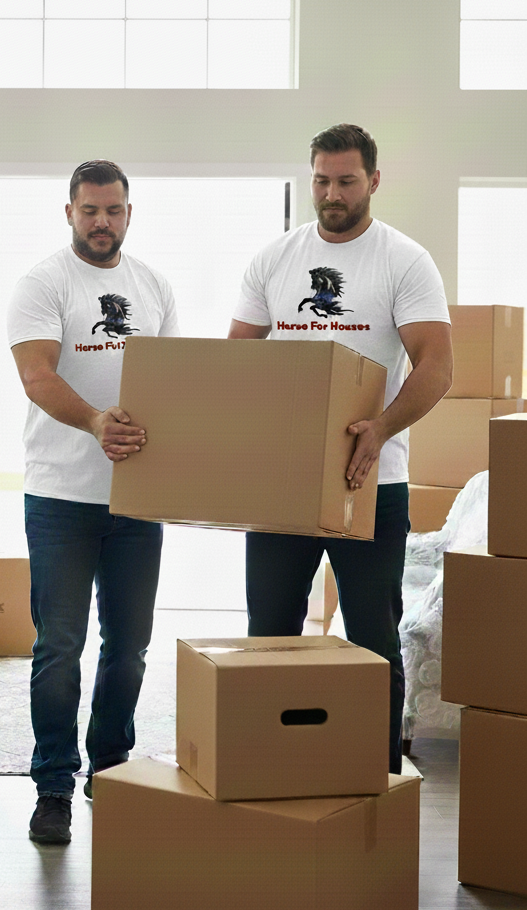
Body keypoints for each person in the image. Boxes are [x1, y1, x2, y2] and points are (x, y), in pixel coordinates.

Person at [228, 124, 453, 775]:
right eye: (321, 180)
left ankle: (376, 777)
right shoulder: (274, 260)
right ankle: (272, 766)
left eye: (346, 180)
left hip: (370, 483)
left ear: (374, 181)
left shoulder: (403, 260)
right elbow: (234, 362)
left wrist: (381, 427)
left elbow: (436, 366)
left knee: (372, 639)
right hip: (281, 487)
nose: (331, 193)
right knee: (270, 634)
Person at [7, 160, 179, 844]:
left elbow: (174, 384)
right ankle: (53, 784)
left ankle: (111, 767)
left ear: (129, 213)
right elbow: (35, 373)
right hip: (61, 497)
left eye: (113, 209)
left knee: (130, 647)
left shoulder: (155, 286)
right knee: (58, 646)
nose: (101, 221)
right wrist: (94, 421)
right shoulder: (44, 282)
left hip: (139, 500)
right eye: (89, 210)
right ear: (70, 212)